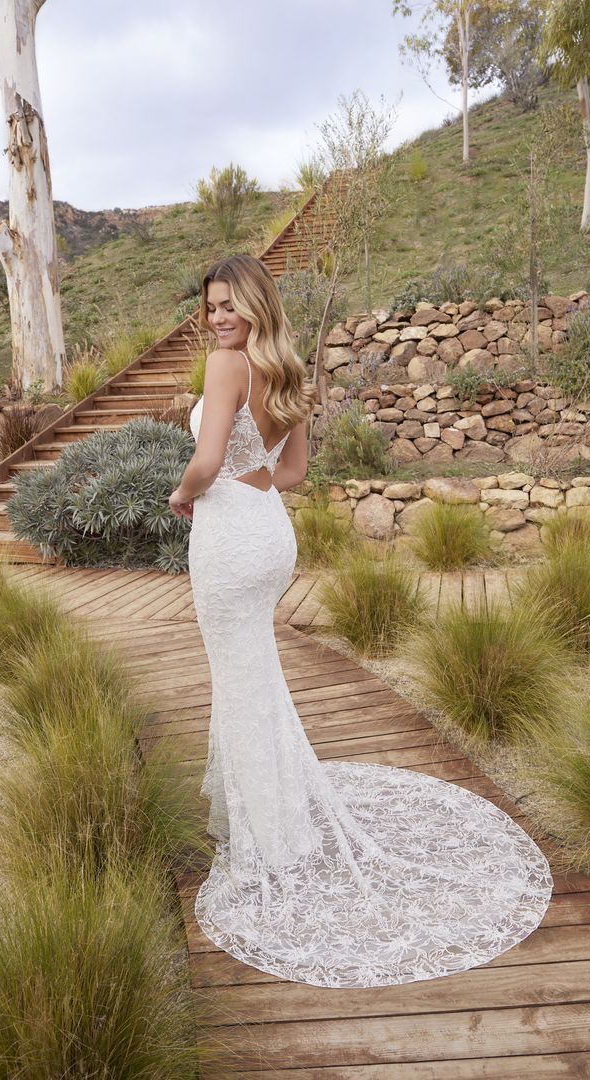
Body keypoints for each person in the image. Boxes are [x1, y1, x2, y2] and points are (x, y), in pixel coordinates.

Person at [168, 253, 553, 989]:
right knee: (256, 676)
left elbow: (208, 457)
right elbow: (291, 475)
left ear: (254, 302)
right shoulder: (281, 371)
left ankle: (268, 841)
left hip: (226, 536)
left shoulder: (226, 369)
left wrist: (183, 496)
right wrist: (241, 488)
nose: (217, 318)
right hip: (269, 533)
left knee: (239, 679)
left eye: (228, 304)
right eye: (211, 306)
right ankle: (275, 817)